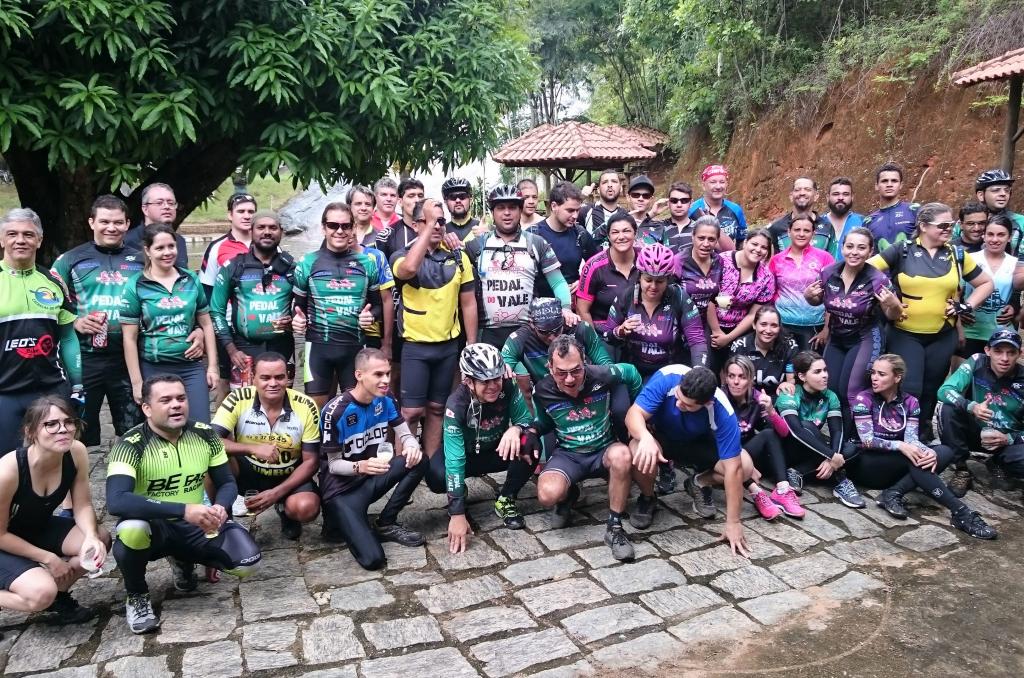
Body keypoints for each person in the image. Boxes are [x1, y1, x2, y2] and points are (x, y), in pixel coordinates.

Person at [106, 375, 262, 634]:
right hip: (155, 527)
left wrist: (221, 509)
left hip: (197, 524)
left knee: (248, 562)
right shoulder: (130, 444)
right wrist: (183, 510)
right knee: (131, 529)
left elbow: (226, 483)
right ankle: (137, 595)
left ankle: (182, 560)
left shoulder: (204, 434)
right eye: (165, 400)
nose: (176, 405)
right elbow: (117, 500)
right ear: (146, 408)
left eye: (181, 398)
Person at [868, 203, 994, 442]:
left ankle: (921, 432)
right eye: (943, 225)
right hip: (905, 332)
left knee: (932, 386)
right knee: (910, 385)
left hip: (942, 333)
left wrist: (966, 306)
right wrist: (888, 298)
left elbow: (986, 283)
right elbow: (865, 270)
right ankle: (897, 429)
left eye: (952, 225)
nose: (949, 229)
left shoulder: (956, 254)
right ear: (923, 226)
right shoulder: (902, 250)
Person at [846, 355, 996, 538]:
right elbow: (867, 440)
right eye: (873, 373)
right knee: (917, 460)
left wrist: (928, 451)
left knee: (943, 452)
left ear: (897, 377)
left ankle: (893, 493)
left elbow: (911, 439)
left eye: (881, 374)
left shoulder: (911, 402)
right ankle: (961, 512)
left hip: (896, 463)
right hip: (869, 463)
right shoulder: (863, 399)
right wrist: (901, 446)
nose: (874, 378)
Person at [521, 336, 642, 560]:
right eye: (561, 372)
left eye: (576, 371)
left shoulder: (603, 375)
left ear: (585, 362)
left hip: (603, 450)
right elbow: (545, 421)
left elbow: (632, 372)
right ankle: (569, 495)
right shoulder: (542, 390)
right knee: (547, 495)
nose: (569, 379)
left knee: (623, 455)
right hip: (569, 455)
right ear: (549, 367)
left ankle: (614, 528)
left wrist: (640, 411)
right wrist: (532, 431)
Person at [0, 396, 109, 624]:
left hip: (35, 527)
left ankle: (58, 596)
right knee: (41, 594)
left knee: (100, 539)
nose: (63, 430)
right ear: (31, 432)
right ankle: (46, 594)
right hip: (4, 540)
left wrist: (90, 537)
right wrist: (48, 558)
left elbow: (82, 504)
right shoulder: (9, 470)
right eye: (51, 424)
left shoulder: (76, 451)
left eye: (68, 422)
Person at [625, 365, 752, 554]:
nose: (678, 404)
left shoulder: (722, 409)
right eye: (678, 397)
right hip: (661, 437)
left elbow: (734, 469)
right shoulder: (667, 379)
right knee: (638, 451)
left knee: (746, 466)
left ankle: (698, 482)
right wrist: (644, 437)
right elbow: (633, 414)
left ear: (707, 403)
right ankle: (648, 497)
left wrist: (733, 522)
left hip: (697, 443)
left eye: (687, 405)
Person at [51, 195, 144, 449]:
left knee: (135, 433)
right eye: (104, 221)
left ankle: (129, 484)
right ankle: (76, 485)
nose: (111, 228)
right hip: (85, 359)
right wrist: (75, 323)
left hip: (129, 359)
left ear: (127, 224)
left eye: (118, 222)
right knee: (76, 434)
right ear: (91, 222)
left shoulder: (142, 260)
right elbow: (48, 305)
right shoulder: (70, 260)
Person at [319, 349, 425, 567]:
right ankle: (338, 522)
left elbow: (405, 434)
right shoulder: (336, 411)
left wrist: (413, 446)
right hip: (342, 491)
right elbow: (333, 466)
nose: (385, 380)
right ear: (359, 375)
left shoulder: (386, 399)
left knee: (420, 460)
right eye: (378, 375)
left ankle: (386, 522)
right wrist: (361, 466)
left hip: (371, 477)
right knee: (373, 560)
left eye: (387, 373)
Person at [392, 199, 477, 456]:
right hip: (415, 346)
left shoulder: (458, 256)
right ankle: (403, 470)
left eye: (441, 221)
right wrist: (428, 228)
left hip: (448, 347)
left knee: (437, 409)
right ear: (417, 225)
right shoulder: (401, 254)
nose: (438, 226)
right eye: (430, 221)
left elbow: (469, 303)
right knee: (410, 412)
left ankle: (428, 465)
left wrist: (470, 345)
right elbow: (407, 270)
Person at [434, 345, 534, 553]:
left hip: (496, 450)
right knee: (436, 475)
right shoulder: (456, 404)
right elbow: (454, 460)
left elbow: (527, 419)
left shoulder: (508, 385)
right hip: (467, 455)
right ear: (468, 381)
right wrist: (457, 513)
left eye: (496, 378)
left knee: (530, 444)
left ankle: (506, 498)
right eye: (484, 381)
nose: (493, 386)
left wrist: (516, 428)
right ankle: (461, 492)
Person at [0, 208, 83, 455]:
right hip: (5, 392)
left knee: (57, 462)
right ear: (1, 239)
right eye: (12, 234)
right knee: (7, 467)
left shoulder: (54, 282)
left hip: (50, 389)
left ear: (39, 240)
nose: (20, 240)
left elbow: (68, 337)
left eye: (28, 234)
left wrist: (77, 385)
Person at [211, 353, 321, 539]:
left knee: (306, 508)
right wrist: (252, 448)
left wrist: (276, 494)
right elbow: (210, 440)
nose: (273, 383)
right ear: (253, 378)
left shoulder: (306, 406)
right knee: (210, 460)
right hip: (246, 471)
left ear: (288, 377)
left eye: (279, 377)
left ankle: (285, 509)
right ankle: (223, 520)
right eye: (265, 378)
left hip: (287, 474)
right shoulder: (237, 398)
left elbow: (311, 462)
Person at [805, 228, 902, 434]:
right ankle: (836, 439)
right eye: (849, 246)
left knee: (850, 391)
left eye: (861, 248)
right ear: (842, 248)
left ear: (870, 251)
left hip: (865, 338)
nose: (854, 252)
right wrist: (808, 296)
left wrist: (894, 304)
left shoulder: (878, 279)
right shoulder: (828, 272)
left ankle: (856, 439)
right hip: (837, 337)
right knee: (829, 389)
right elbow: (816, 301)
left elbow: (893, 315)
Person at [293, 203, 390, 408]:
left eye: (345, 226)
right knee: (314, 414)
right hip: (318, 348)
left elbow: (378, 306)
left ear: (353, 228)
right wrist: (298, 319)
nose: (339, 230)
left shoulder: (367, 263)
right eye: (332, 225)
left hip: (354, 349)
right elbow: (298, 306)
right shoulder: (307, 263)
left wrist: (371, 316)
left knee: (355, 411)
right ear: (323, 228)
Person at [121, 223, 219, 422]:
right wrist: (137, 382)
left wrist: (212, 367)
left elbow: (207, 324)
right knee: (162, 427)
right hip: (154, 367)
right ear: (148, 251)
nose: (167, 252)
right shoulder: (136, 284)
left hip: (190, 367)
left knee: (200, 426)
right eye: (160, 248)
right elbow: (129, 338)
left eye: (171, 246)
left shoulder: (190, 279)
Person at [465, 184, 574, 349]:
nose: (507, 213)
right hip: (488, 332)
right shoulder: (476, 246)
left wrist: (566, 308)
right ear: (492, 212)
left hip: (528, 331)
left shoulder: (536, 243)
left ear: (520, 210)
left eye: (512, 207)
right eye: (501, 208)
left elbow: (558, 282)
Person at [209, 211, 297, 383]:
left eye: (273, 228)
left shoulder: (293, 268)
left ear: (281, 231)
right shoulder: (233, 266)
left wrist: (294, 320)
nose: (267, 232)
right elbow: (216, 311)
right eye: (261, 227)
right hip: (243, 350)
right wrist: (231, 350)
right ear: (251, 231)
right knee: (245, 406)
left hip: (282, 347)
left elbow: (306, 306)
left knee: (282, 406)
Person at [938, 329, 1024, 498]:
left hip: (1008, 441)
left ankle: (999, 463)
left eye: (1011, 353)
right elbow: (945, 390)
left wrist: (1009, 439)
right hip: (975, 431)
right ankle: (961, 469)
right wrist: (971, 407)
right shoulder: (977, 361)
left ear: (1020, 353)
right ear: (987, 351)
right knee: (946, 408)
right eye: (998, 351)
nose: (1004, 359)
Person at [775, 351, 865, 508]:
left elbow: (837, 430)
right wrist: (831, 455)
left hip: (815, 450)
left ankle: (798, 472)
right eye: (817, 372)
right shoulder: (789, 394)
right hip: (790, 448)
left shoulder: (830, 396)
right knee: (807, 426)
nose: (825, 375)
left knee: (853, 446)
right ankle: (840, 480)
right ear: (802, 376)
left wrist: (832, 460)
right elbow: (796, 431)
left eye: (825, 370)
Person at [721, 355, 804, 518]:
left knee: (769, 433)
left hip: (749, 452)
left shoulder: (758, 398)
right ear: (726, 378)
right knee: (731, 454)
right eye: (731, 376)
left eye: (742, 377)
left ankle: (783, 489)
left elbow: (783, 434)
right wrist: (746, 467)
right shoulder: (719, 398)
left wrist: (772, 411)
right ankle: (757, 493)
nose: (736, 382)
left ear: (750, 379)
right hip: (725, 456)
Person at [607, 243, 708, 376]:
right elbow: (607, 336)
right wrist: (619, 331)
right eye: (648, 280)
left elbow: (697, 340)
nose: (653, 286)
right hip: (633, 369)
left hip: (669, 370)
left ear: (668, 280)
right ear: (639, 276)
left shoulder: (679, 297)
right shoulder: (626, 296)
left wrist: (699, 372)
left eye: (660, 281)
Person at [707, 229, 775, 372]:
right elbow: (707, 298)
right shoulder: (721, 261)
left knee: (738, 371)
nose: (758, 250)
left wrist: (729, 337)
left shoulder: (766, 277)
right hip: (710, 323)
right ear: (745, 242)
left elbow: (753, 314)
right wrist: (716, 331)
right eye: (754, 244)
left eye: (764, 247)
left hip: (740, 329)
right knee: (709, 369)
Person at [501, 297, 613, 383]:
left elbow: (606, 365)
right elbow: (504, 366)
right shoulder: (520, 338)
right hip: (546, 393)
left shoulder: (580, 328)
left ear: (563, 320)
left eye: (557, 331)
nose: (552, 337)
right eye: (544, 332)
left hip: (583, 384)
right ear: (532, 325)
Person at [958, 215, 1020, 359]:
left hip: (1001, 332)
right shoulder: (970, 259)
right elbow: (955, 290)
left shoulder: (1015, 264)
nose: (995, 239)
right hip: (969, 330)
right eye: (990, 234)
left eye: (1001, 235)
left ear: (1009, 237)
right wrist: (960, 311)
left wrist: (1014, 307)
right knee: (962, 378)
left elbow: (1017, 292)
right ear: (984, 236)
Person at [768, 215, 834, 349]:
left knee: (809, 367)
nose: (801, 234)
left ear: (813, 234)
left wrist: (826, 329)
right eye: (797, 230)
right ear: (788, 232)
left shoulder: (825, 258)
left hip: (815, 326)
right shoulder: (776, 260)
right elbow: (770, 292)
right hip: (783, 325)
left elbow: (832, 294)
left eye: (807, 231)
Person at [529, 181, 600, 296]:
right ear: (554, 206)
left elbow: (597, 267)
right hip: (541, 306)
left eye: (577, 210)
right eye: (570, 210)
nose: (575, 216)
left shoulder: (580, 234)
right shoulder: (533, 235)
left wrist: (583, 281)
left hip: (574, 305)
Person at [577, 213, 640, 338]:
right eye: (615, 232)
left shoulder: (646, 260)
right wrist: (595, 345)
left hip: (640, 331)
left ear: (635, 234)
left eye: (626, 231)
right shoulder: (593, 266)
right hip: (603, 334)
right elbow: (582, 310)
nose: (621, 237)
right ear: (608, 237)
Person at [729, 305, 799, 398]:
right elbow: (733, 381)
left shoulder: (789, 346)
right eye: (763, 324)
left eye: (774, 325)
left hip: (778, 396)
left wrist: (787, 384)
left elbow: (791, 380)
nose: (768, 330)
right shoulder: (739, 346)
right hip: (748, 397)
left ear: (779, 328)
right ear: (754, 325)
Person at [199, 193, 256, 301]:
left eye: (251, 212)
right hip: (228, 315)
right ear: (230, 215)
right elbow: (207, 288)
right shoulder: (215, 247)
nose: (247, 216)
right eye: (241, 211)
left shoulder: (268, 244)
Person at [653, 181, 733, 256]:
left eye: (684, 200)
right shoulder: (658, 227)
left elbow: (729, 250)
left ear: (691, 203)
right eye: (674, 200)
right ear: (668, 203)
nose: (679, 204)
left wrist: (713, 225)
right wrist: (652, 214)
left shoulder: (700, 228)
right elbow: (641, 245)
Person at [677, 216, 725, 335]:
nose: (706, 244)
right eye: (701, 238)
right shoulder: (679, 261)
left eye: (711, 239)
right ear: (692, 237)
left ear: (717, 240)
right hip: (681, 324)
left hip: (708, 324)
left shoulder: (719, 262)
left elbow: (716, 298)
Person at [123, 183, 188, 268]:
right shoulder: (126, 241)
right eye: (159, 203)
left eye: (171, 203)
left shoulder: (179, 241)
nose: (166, 206)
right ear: (145, 209)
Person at [768, 177, 833, 253]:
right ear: (791, 196)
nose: (802, 193)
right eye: (797, 190)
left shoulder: (828, 227)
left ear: (816, 196)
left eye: (807, 189)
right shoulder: (776, 228)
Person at [689, 164, 748, 245]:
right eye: (713, 182)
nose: (718, 186)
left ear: (727, 184)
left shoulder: (736, 209)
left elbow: (742, 240)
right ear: (703, 185)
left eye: (722, 182)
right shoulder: (692, 209)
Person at [863, 163, 916, 251]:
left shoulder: (913, 211)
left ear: (901, 185)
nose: (889, 184)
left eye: (894, 181)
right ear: (876, 186)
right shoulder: (869, 220)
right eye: (884, 181)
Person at [974, 169, 1024, 254]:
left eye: (1007, 190)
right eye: (996, 190)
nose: (1003, 194)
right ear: (981, 195)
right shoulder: (966, 222)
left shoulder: (1021, 221)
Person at [820, 177, 864, 260]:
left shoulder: (863, 222)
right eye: (836, 194)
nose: (841, 198)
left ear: (852, 197)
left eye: (846, 194)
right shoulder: (817, 223)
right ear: (827, 197)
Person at [579, 170, 626, 241]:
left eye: (614, 181)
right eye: (605, 182)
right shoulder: (586, 211)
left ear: (621, 188)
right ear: (598, 190)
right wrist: (580, 197)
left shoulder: (626, 215)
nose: (610, 185)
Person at [442, 177, 481, 243]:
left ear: (471, 200)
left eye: (462, 196)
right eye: (452, 197)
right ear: (446, 203)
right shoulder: (441, 232)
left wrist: (488, 235)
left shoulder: (482, 228)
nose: (458, 200)